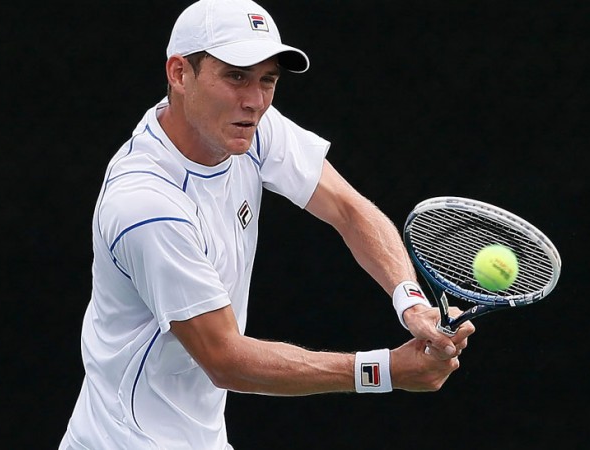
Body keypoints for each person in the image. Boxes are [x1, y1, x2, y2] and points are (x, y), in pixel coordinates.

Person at [59, 0, 475, 448]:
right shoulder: (147, 204)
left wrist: (411, 305)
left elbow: (349, 210)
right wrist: (384, 371)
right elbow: (226, 359)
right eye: (235, 76)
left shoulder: (247, 127)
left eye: (267, 80)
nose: (255, 100)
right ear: (180, 74)